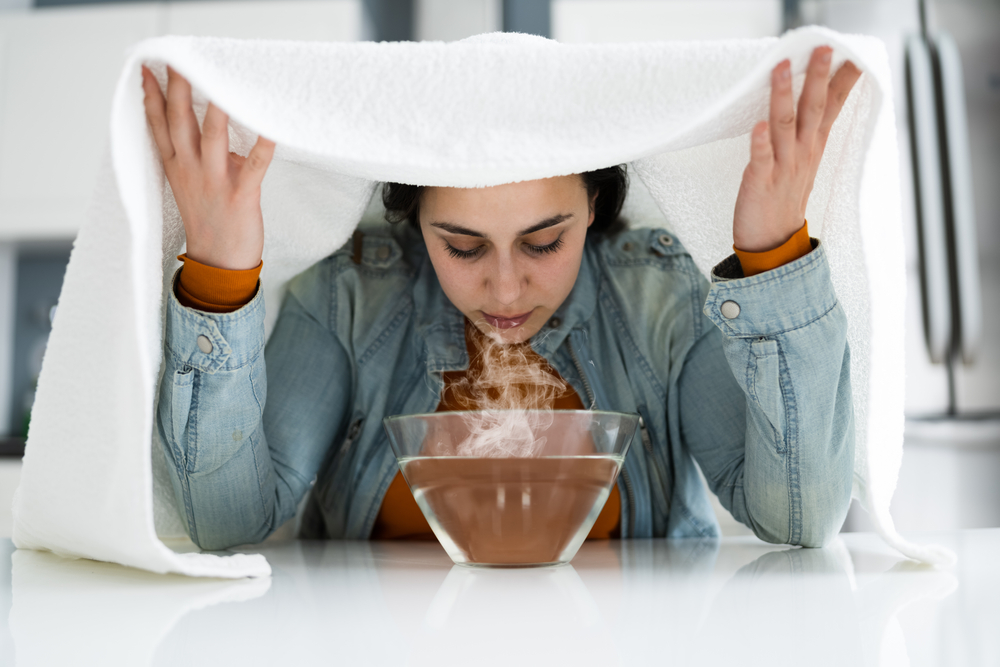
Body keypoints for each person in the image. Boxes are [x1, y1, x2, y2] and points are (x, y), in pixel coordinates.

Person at [144, 46, 862, 550]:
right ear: (414, 223)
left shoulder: (662, 299)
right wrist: (220, 271)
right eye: (462, 247)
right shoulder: (347, 298)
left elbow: (799, 519)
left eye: (544, 242)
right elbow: (223, 523)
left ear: (594, 207)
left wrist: (773, 254)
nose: (507, 288)